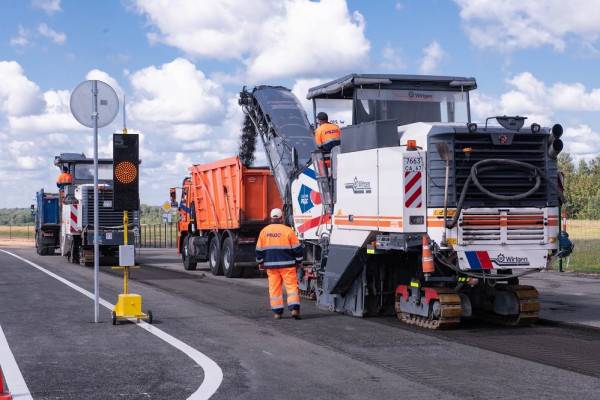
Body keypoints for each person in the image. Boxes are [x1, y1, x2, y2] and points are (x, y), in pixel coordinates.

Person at [256, 208, 303, 319]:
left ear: (271, 218)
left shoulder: (264, 231)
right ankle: (294, 309)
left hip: (271, 266)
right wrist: (299, 261)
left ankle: (277, 313)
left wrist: (260, 262)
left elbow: (258, 250)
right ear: (281, 218)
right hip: (288, 265)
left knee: (274, 288)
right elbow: (297, 248)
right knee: (291, 287)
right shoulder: (288, 230)